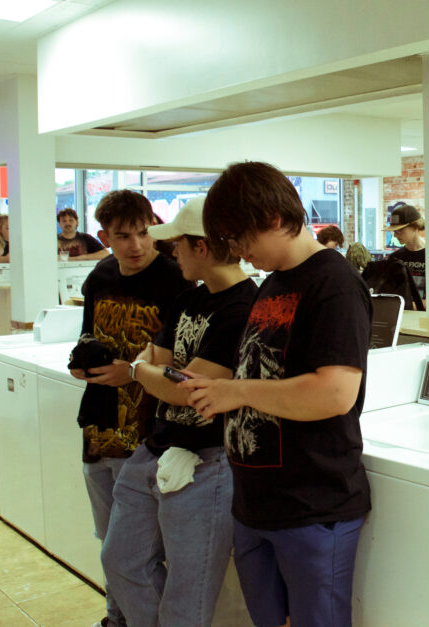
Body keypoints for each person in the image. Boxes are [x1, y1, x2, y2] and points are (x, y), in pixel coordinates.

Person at [184, 161, 372, 627]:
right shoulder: (271, 284)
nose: (238, 252)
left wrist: (236, 392)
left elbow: (334, 393)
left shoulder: (334, 283)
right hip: (255, 502)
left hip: (312, 505)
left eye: (239, 238)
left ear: (271, 218)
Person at [100, 196, 258, 627]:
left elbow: (186, 389)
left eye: (178, 244)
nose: (172, 252)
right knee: (120, 561)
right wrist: (153, 371)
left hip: (209, 460)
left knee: (188, 590)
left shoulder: (244, 307)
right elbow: (161, 364)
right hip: (155, 447)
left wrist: (138, 370)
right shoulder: (189, 299)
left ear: (200, 247)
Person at [69, 190, 192, 627]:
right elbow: (88, 334)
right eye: (123, 236)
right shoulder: (100, 275)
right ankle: (115, 618)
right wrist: (82, 363)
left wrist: (135, 373)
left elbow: (186, 363)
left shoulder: (176, 279)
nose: (136, 245)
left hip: (149, 432)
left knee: (138, 552)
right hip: (100, 423)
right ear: (104, 236)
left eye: (143, 233)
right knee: (109, 541)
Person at [384, 204, 426, 302]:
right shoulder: (395, 258)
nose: (395, 235)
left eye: (399, 230)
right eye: (394, 231)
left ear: (415, 227)